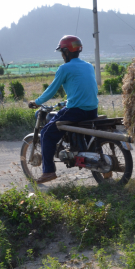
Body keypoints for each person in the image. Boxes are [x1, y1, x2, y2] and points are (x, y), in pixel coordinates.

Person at [28, 35, 99, 184]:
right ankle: (103, 168)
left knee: (46, 133)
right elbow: (83, 88)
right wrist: (68, 100)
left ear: (66, 51)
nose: (61, 55)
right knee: (92, 136)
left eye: (62, 52)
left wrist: (37, 102)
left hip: (76, 111)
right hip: (92, 110)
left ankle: (48, 172)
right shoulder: (88, 66)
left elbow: (52, 90)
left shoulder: (65, 68)